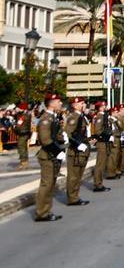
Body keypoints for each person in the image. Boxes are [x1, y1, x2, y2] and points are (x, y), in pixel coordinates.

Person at [33, 93, 66, 221]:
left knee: (51, 184)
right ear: (51, 103)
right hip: (47, 155)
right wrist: (58, 152)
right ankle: (42, 213)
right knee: (46, 184)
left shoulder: (53, 117)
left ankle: (46, 210)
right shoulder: (46, 119)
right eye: (58, 101)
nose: (61, 103)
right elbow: (45, 140)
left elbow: (56, 135)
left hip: (52, 154)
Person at [63, 97, 92, 207]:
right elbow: (68, 134)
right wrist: (78, 144)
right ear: (74, 105)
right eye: (81, 103)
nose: (83, 104)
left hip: (82, 149)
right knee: (74, 175)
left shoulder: (81, 116)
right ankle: (72, 198)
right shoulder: (74, 117)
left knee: (78, 175)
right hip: (75, 150)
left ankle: (75, 196)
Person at [91, 100, 114, 190]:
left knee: (102, 163)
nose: (105, 107)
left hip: (104, 142)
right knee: (100, 164)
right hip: (101, 143)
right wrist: (107, 137)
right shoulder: (99, 117)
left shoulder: (103, 116)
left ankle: (99, 183)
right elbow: (98, 131)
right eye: (103, 106)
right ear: (100, 107)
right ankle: (97, 184)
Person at [13, 102, 31, 171]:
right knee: (24, 147)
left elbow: (18, 125)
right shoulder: (27, 115)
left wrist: (14, 130)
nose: (18, 109)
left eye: (19, 108)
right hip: (26, 133)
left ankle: (23, 162)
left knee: (21, 147)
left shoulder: (22, 116)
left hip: (22, 133)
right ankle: (25, 162)